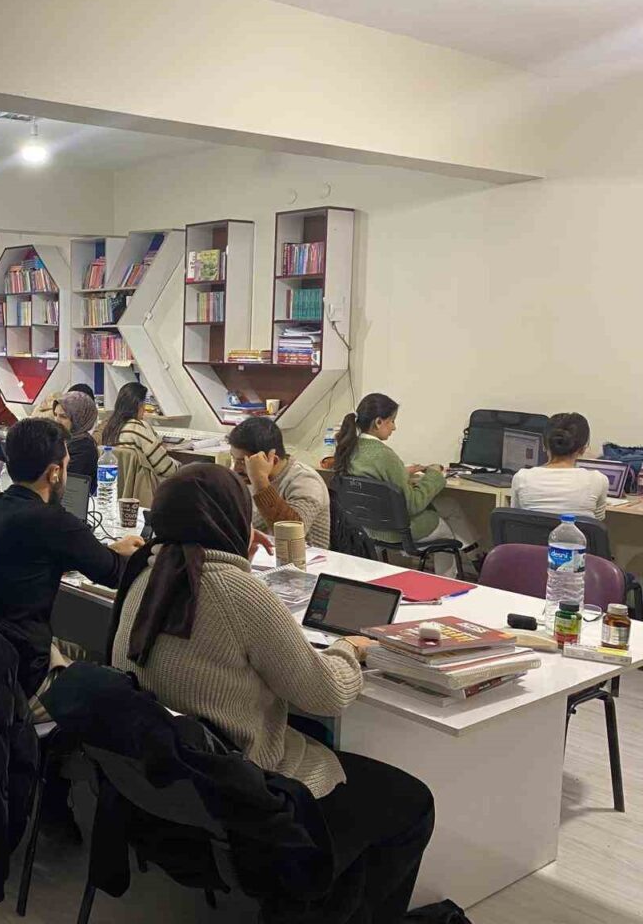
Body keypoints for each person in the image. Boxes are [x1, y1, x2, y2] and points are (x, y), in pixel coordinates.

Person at [111, 464, 433, 923]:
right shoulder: (234, 590)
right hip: (247, 790)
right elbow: (327, 694)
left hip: (180, 779)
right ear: (231, 518)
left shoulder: (145, 573)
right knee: (411, 802)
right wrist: (349, 649)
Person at [0, 418, 143, 702]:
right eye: (66, 466)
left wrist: (105, 548)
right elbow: (115, 575)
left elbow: (33, 555)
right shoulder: (53, 521)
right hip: (22, 676)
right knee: (114, 677)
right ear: (54, 473)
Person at [333, 392, 477, 571]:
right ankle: (453, 578)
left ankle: (476, 555)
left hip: (370, 528)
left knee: (450, 504)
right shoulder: (385, 455)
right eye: (392, 421)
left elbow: (375, 478)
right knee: (447, 532)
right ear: (378, 422)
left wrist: (402, 472)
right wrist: (434, 475)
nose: (394, 427)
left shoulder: (350, 450)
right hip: (398, 530)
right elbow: (413, 505)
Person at [229, 415, 331, 548]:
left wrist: (260, 481)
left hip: (304, 558)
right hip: (259, 554)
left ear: (273, 460)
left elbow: (291, 534)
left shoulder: (305, 480)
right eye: (234, 459)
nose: (235, 469)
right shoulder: (245, 477)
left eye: (243, 462)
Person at [512, 412, 608, 520]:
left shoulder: (522, 478)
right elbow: (596, 523)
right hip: (577, 532)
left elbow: (515, 520)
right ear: (582, 449)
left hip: (532, 532)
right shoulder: (598, 480)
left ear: (544, 445)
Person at [98, 381, 177, 480]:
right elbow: (166, 469)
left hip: (115, 483)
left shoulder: (109, 427)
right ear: (139, 405)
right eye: (144, 404)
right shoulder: (137, 428)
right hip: (142, 485)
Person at [53, 390, 99, 480]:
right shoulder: (62, 440)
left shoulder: (83, 447)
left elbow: (63, 481)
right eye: (55, 415)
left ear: (79, 419)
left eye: (63, 416)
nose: (56, 421)